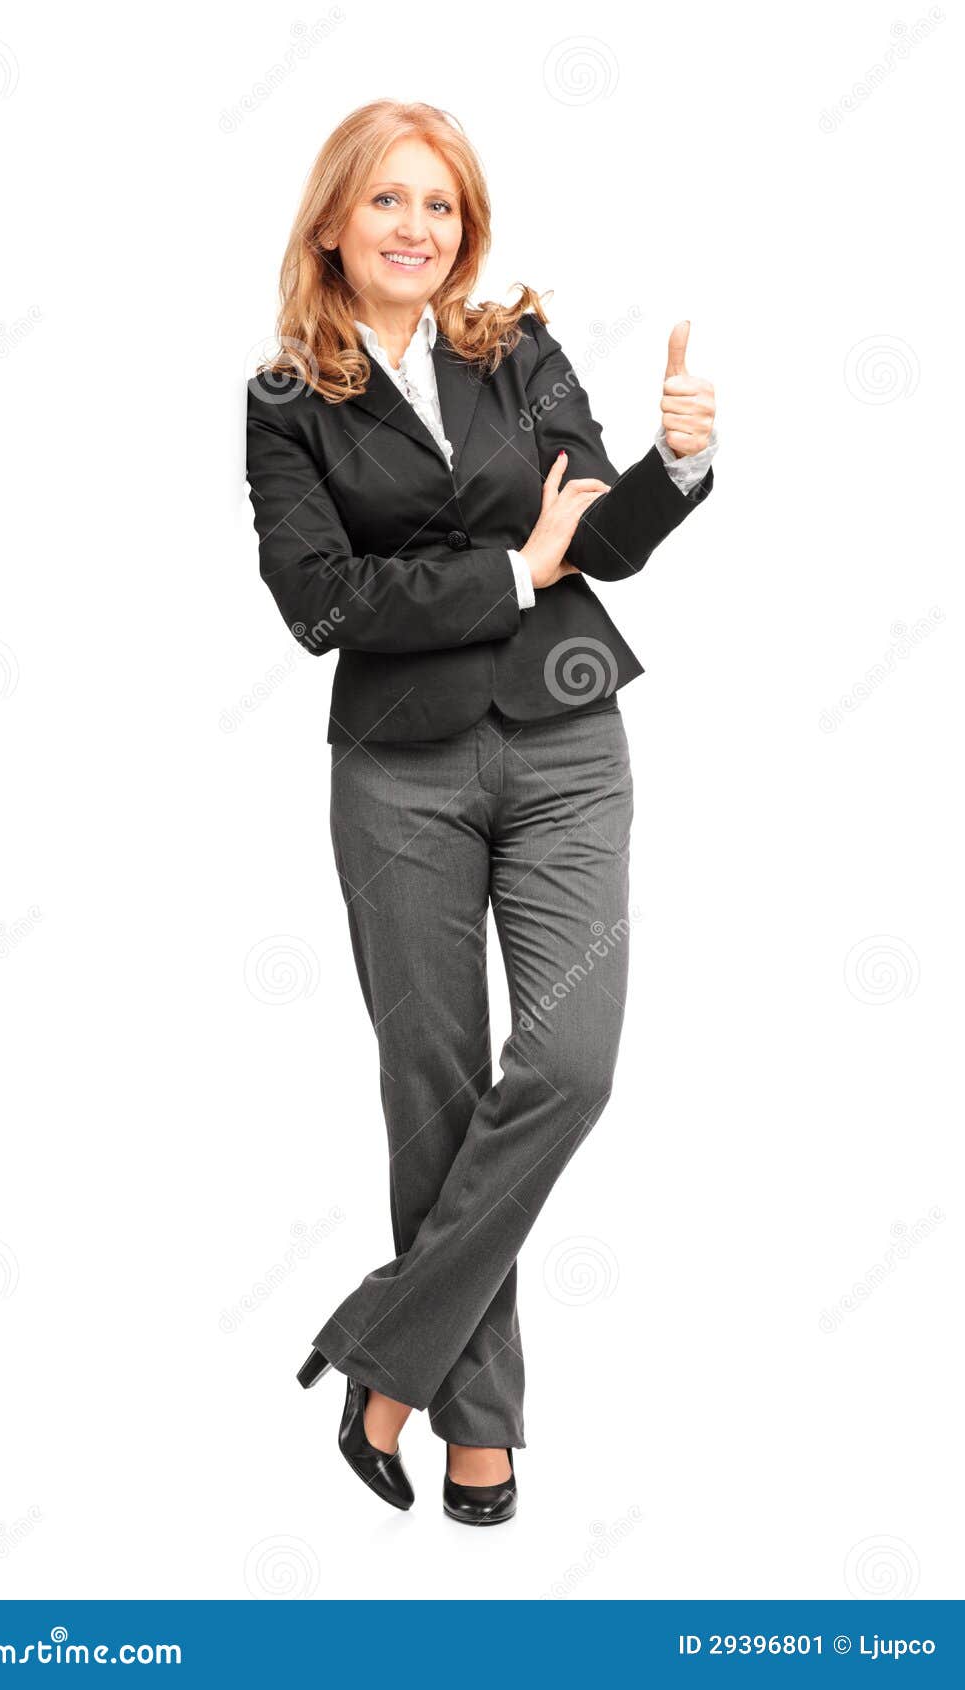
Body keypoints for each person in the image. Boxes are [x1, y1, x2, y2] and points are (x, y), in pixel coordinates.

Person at [246, 99, 717, 1525]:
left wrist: (675, 466)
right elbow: (324, 601)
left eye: (439, 206)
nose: (416, 229)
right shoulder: (288, 404)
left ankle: (380, 1357)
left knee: (570, 1064)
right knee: (436, 1100)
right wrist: (513, 573)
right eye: (388, 202)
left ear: (467, 227)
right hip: (400, 770)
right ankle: (484, 1423)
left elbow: (602, 542)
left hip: (569, 737)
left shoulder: (511, 349)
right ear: (335, 220)